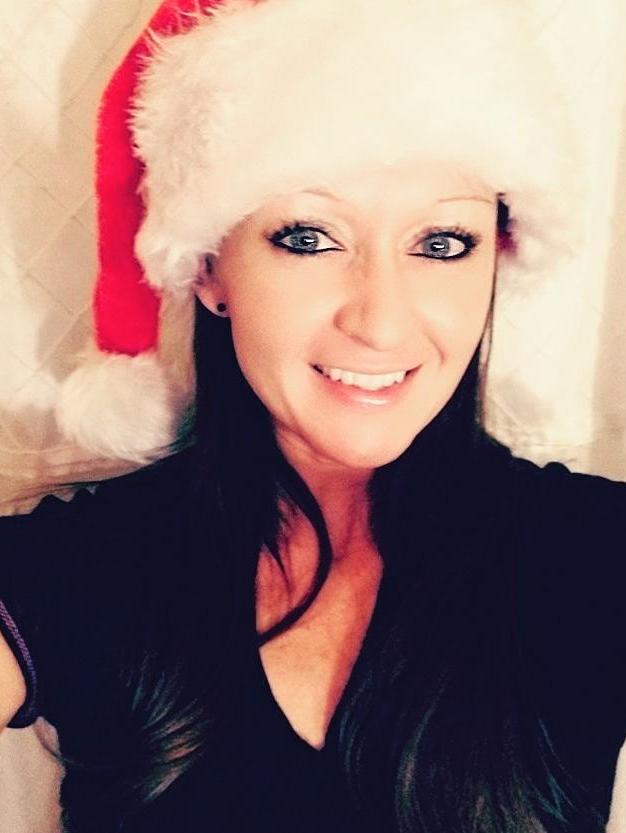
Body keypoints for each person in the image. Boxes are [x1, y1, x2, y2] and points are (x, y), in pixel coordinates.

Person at [1, 1, 624, 832]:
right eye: (308, 236)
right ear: (209, 269)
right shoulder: (87, 564)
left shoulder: (593, 553)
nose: (381, 322)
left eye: (442, 242)